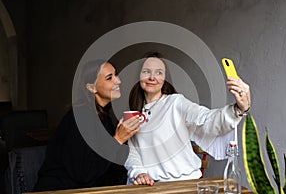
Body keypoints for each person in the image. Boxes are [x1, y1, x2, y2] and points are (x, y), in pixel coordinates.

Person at [125, 52, 251, 186]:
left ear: (165, 78)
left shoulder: (175, 102)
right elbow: (133, 153)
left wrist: (238, 109)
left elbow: (206, 119)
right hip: (152, 187)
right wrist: (138, 173)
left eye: (159, 72)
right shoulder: (134, 113)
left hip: (184, 184)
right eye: (146, 71)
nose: (152, 77)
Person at [34, 60, 141, 191]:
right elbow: (84, 173)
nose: (118, 81)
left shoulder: (104, 117)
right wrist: (118, 139)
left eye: (116, 75)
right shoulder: (81, 117)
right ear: (92, 88)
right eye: (109, 78)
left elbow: (110, 166)